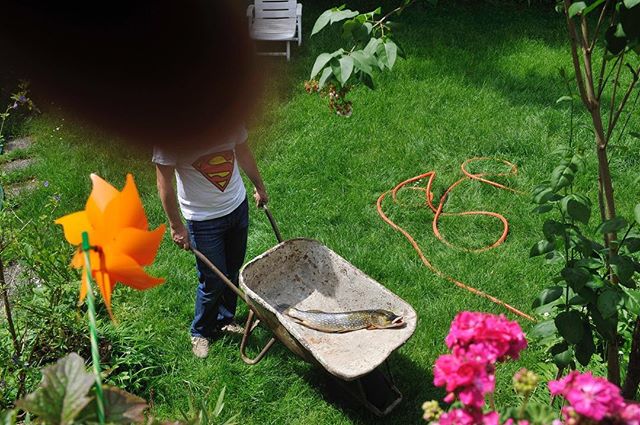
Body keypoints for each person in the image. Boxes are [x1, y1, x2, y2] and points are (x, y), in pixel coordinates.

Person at [153, 127, 268, 358]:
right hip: (203, 220)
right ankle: (200, 332)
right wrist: (176, 226)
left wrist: (259, 186)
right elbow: (163, 182)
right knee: (213, 279)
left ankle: (225, 320)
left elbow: (243, 152)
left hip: (237, 207)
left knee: (232, 271)